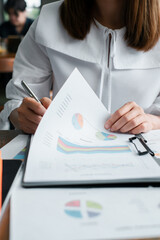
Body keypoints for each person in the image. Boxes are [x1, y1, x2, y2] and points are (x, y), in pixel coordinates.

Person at [1, 0, 160, 134]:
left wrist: (151, 122)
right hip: (62, 152)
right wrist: (23, 116)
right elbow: (19, 100)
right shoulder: (48, 20)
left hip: (143, 153)